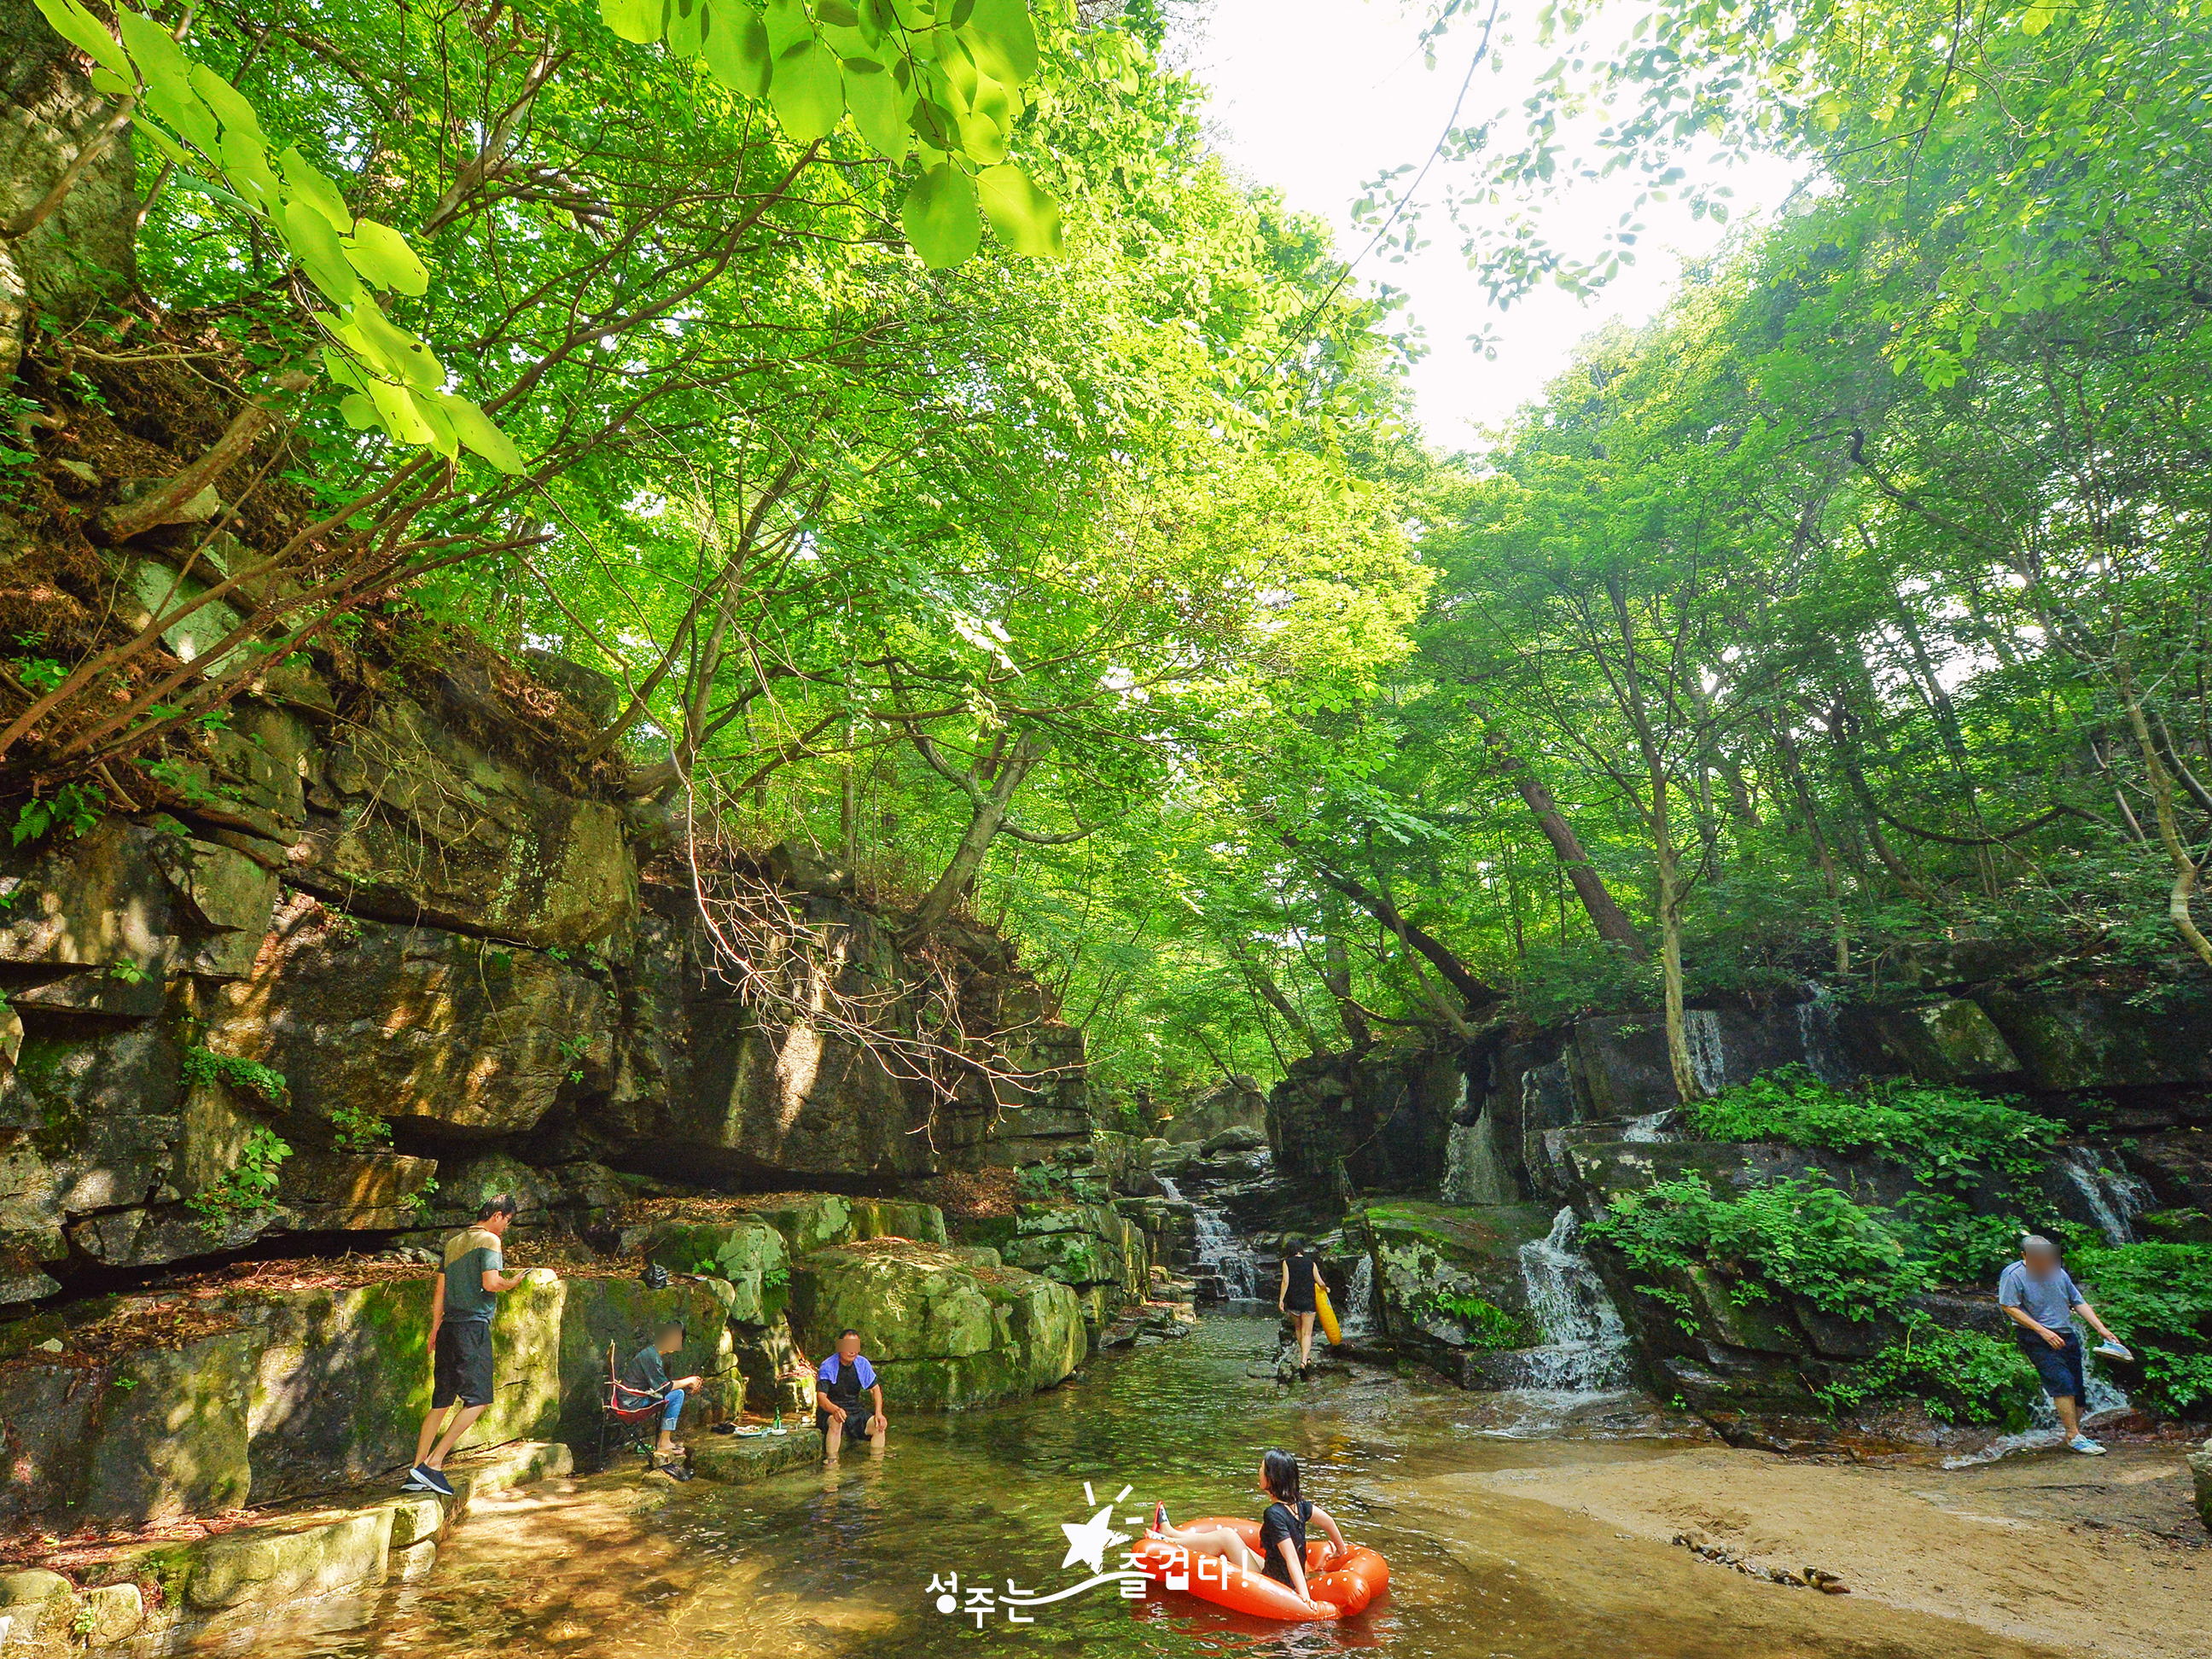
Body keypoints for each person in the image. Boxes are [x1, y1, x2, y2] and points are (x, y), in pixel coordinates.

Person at [408, 1193, 546, 1496]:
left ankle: (415, 1469)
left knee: (441, 1401)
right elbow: (491, 1283)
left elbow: (440, 1290)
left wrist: (434, 1328)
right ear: (498, 1215)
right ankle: (433, 1464)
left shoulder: (453, 1243)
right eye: (507, 1221)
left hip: (447, 1329)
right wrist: (514, 1281)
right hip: (472, 1328)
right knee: (479, 1399)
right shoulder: (489, 1241)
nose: (506, 1228)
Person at [1151, 1450, 1348, 1615]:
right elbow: (1329, 1522)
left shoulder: (1274, 1514)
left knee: (1226, 1536)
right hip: (1278, 1569)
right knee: (1233, 1539)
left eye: (1262, 1468)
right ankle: (1171, 1533)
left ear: (1271, 1479)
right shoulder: (1301, 1506)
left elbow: (1292, 1558)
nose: (1258, 1471)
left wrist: (1304, 1599)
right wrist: (1340, 1549)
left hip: (1278, 1583)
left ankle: (1166, 1541)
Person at [1997, 1234, 2127, 1455]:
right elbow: (2008, 1306)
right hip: (2036, 1336)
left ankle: (2075, 1433)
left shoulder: (2059, 1272)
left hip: (2066, 1334)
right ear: (2024, 1256)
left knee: (2077, 1388)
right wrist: (2042, 1331)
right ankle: (2073, 1436)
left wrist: (2101, 1329)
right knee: (2062, 1383)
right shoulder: (2013, 1274)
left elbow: (2078, 1301)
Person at [622, 1319, 705, 1480]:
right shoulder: (651, 1357)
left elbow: (659, 1388)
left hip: (634, 1398)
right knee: (678, 1394)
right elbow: (664, 1387)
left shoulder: (652, 1355)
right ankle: (664, 1442)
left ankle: (665, 1440)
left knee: (677, 1394)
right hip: (632, 1404)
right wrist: (689, 1380)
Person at [814, 1328, 886, 1461]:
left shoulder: (862, 1363)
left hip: (854, 1410)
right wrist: (835, 1410)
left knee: (879, 1426)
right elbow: (821, 1398)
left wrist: (878, 1413)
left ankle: (876, 1466)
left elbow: (875, 1389)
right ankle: (832, 1463)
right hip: (830, 1410)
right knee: (836, 1421)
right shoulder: (828, 1366)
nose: (852, 1351)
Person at [1278, 1238, 1322, 1373]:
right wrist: (1326, 1289)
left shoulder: (1287, 1262)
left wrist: (1281, 1300)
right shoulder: (1311, 1263)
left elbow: (1285, 1281)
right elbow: (1320, 1282)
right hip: (1309, 1301)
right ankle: (1304, 1360)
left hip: (1294, 1301)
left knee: (1298, 1329)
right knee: (1307, 1333)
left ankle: (1306, 1357)